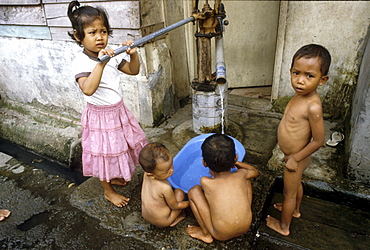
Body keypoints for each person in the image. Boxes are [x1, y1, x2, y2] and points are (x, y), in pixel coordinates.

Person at [67, 1, 147, 207]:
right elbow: (88, 88)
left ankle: (113, 176)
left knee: (121, 146)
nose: (100, 37)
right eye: (92, 32)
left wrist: (133, 54)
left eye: (103, 31)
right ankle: (108, 190)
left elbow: (133, 70)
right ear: (78, 36)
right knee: (103, 152)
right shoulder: (81, 62)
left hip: (118, 111)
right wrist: (101, 63)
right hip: (100, 116)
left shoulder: (111, 55)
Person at [266, 44, 331, 236]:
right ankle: (294, 210)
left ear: (322, 80)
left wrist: (294, 158)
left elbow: (319, 140)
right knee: (296, 186)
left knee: (289, 193)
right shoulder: (299, 95)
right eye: (296, 73)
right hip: (294, 155)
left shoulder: (313, 107)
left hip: (297, 157)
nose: (300, 81)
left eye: (309, 76)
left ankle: (284, 226)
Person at [186, 134, 259, 243]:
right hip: (245, 227)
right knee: (247, 181)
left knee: (194, 192)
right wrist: (236, 163)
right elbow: (255, 172)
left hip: (220, 234)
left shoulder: (205, 182)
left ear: (204, 163)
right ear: (235, 157)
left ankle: (206, 234)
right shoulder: (241, 174)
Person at [139, 142, 189, 228]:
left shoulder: (147, 174)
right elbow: (175, 206)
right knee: (179, 192)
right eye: (166, 172)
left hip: (146, 215)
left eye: (171, 165)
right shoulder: (164, 187)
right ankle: (174, 220)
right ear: (151, 175)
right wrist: (191, 202)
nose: (171, 171)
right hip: (163, 221)